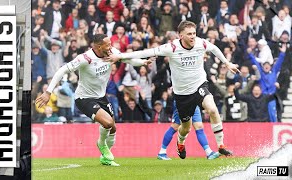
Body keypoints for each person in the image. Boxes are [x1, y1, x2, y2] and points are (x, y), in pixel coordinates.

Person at [107, 21, 240, 159]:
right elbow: (146, 52)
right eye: (189, 34)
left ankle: (221, 145)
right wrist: (121, 56)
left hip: (199, 85)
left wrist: (227, 63)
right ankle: (180, 141)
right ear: (180, 35)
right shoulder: (171, 48)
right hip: (182, 94)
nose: (193, 37)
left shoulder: (201, 43)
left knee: (212, 109)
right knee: (185, 128)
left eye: (194, 33)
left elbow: (215, 49)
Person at [36, 34, 152, 166]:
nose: (110, 47)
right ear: (98, 46)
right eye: (107, 45)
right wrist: (48, 92)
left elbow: (125, 59)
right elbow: (62, 70)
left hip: (101, 97)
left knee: (113, 128)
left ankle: (105, 158)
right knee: (108, 123)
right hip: (84, 98)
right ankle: (101, 144)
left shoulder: (111, 52)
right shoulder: (85, 58)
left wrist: (142, 62)